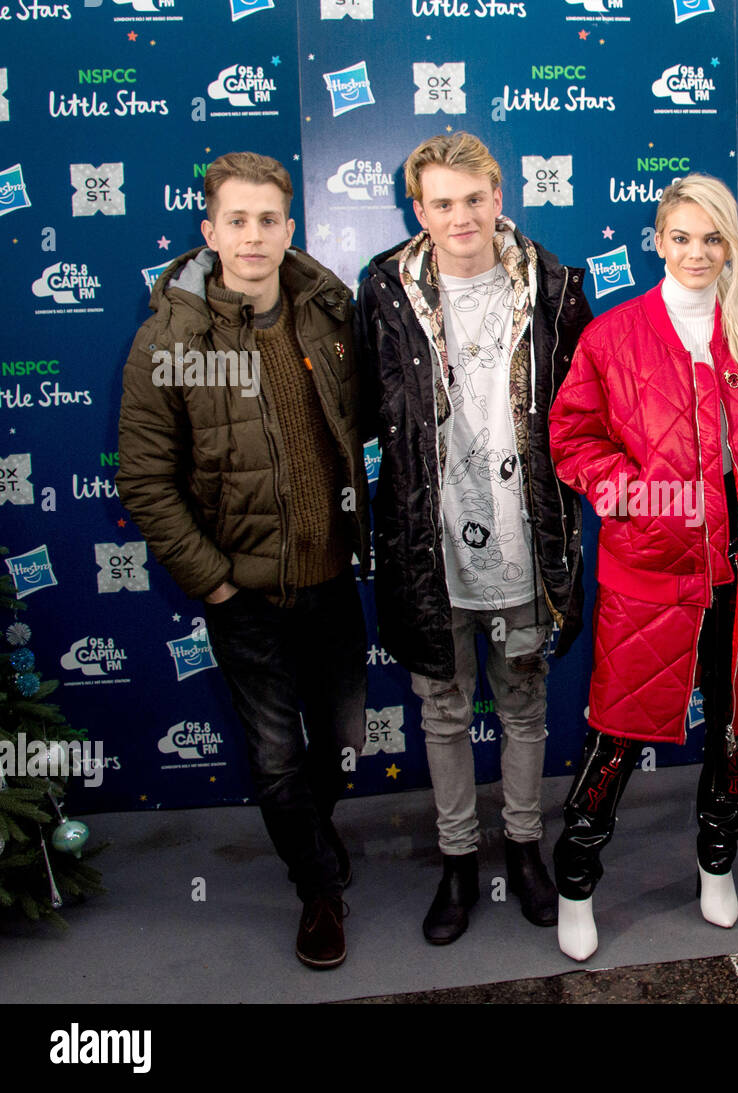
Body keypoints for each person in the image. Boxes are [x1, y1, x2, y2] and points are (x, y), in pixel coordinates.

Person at [117, 152, 369, 969]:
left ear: (289, 226)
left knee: (338, 739)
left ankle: (316, 835)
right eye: (237, 219)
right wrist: (214, 580)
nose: (254, 235)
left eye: (268, 219)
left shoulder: (330, 316)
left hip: (332, 580)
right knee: (274, 754)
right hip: (245, 596)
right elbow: (147, 480)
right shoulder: (172, 339)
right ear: (209, 231)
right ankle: (317, 891)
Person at [548, 174, 738, 961]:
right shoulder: (613, 336)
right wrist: (634, 497)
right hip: (653, 571)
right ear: (658, 240)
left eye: (713, 238)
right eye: (682, 237)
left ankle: (716, 862)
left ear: (731, 245)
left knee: (732, 732)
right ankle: (577, 879)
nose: (697, 253)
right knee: (616, 735)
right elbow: (572, 439)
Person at [355, 132, 592, 946]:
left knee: (525, 700)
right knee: (443, 705)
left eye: (474, 198)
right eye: (441, 203)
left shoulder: (557, 284)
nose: (461, 216)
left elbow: (582, 411)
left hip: (528, 538)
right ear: (417, 209)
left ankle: (524, 845)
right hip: (430, 539)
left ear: (500, 197)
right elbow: (365, 406)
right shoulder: (384, 289)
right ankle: (459, 856)